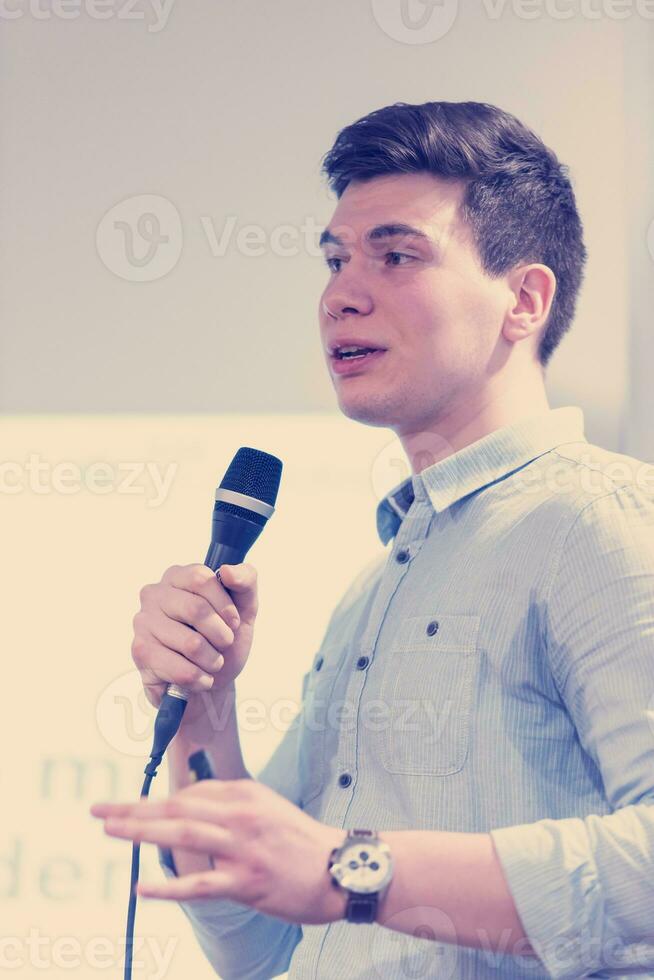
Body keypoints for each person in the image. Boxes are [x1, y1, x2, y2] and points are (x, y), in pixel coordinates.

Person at [90, 101, 654, 979]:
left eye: (396, 255)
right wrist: (205, 702)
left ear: (525, 300)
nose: (341, 294)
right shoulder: (376, 584)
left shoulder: (601, 520)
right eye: (335, 259)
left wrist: (358, 871)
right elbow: (255, 940)